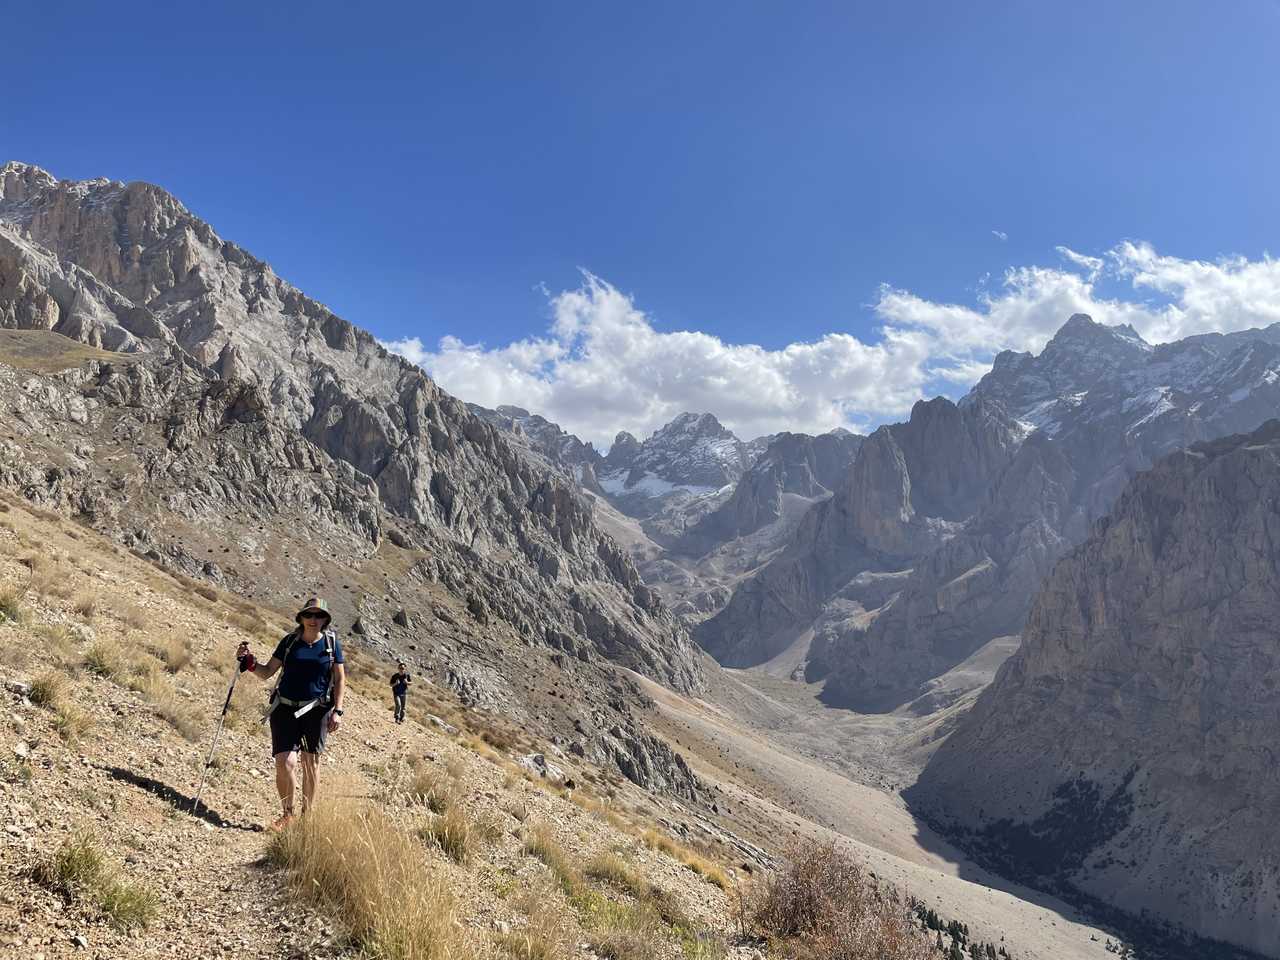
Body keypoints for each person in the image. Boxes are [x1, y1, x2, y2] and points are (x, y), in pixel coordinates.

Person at [236, 597, 345, 831]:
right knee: (284, 763)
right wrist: (249, 662)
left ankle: (307, 818)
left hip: (316, 711)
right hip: (284, 708)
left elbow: (339, 678)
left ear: (325, 619)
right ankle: (287, 815)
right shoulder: (289, 642)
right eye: (309, 615)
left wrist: (338, 710)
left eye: (319, 616)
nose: (313, 620)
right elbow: (267, 672)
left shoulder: (331, 643)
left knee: (310, 763)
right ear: (301, 618)